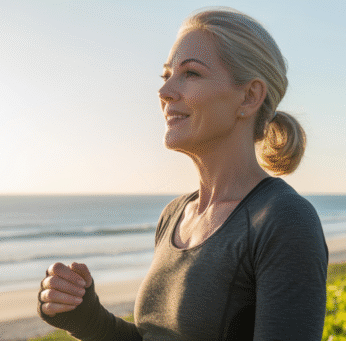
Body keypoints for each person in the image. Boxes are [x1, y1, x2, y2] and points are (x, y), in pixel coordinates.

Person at [36, 7, 328, 340]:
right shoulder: (174, 215)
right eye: (166, 75)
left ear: (249, 96)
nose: (165, 92)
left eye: (190, 73)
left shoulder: (284, 220)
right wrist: (86, 317)